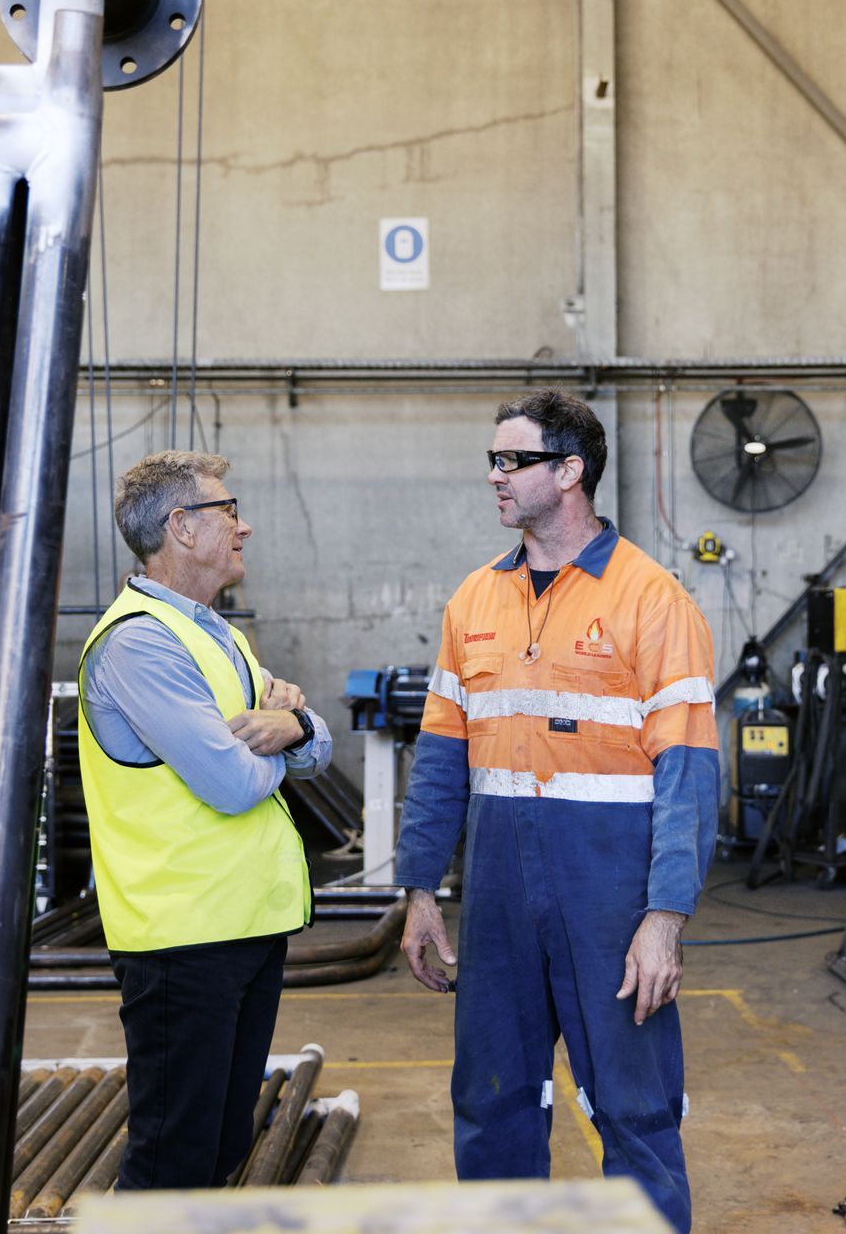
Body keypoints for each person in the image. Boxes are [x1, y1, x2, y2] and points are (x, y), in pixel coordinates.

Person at [395, 391, 719, 1230]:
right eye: (494, 460)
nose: (496, 477)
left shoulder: (653, 600)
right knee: (492, 1100)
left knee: (634, 1105)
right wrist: (421, 889)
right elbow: (441, 755)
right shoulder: (474, 600)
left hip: (607, 894)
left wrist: (666, 917)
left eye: (514, 461)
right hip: (499, 891)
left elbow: (687, 774)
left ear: (569, 472)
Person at [77, 450, 331, 1189]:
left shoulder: (220, 636)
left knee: (219, 1147)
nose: (244, 526)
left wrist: (296, 729)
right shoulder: (139, 642)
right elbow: (229, 781)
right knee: (171, 1161)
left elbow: (314, 741)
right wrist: (290, 732)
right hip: (180, 940)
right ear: (182, 527)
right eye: (229, 512)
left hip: (243, 928)